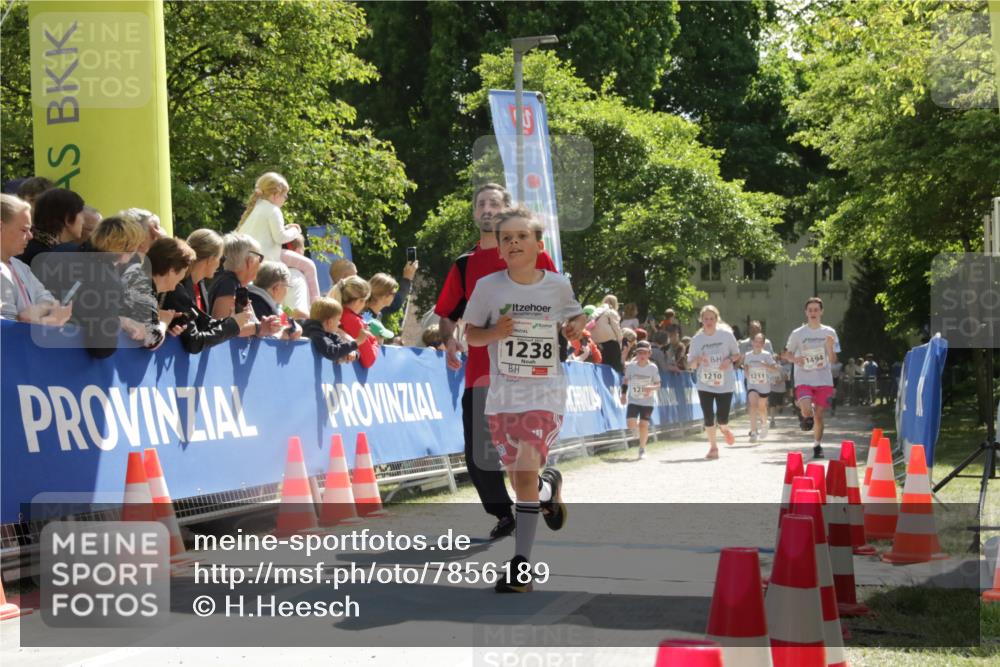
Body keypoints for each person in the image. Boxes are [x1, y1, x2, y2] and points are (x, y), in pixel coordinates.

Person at [463, 206, 584, 593]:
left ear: (538, 244)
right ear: (499, 249)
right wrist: (494, 331)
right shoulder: (488, 287)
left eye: (521, 236)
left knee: (526, 470)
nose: (513, 243)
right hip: (502, 398)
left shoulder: (557, 285)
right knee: (521, 480)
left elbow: (576, 320)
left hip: (545, 393)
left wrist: (576, 325)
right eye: (506, 239)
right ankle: (550, 490)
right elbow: (471, 335)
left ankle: (521, 566)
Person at [433, 183, 557, 541]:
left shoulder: (530, 252)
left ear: (505, 211)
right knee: (479, 454)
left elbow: (559, 297)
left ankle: (543, 491)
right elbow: (447, 312)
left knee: (524, 455)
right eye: (481, 204)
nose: (486, 209)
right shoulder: (464, 264)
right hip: (481, 373)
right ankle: (505, 513)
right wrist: (450, 341)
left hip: (526, 373)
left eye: (494, 203)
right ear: (475, 213)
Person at [161, 229, 253, 353]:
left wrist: (232, 320)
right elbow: (194, 341)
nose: (220, 265)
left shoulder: (200, 285)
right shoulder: (177, 287)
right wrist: (233, 325)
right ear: (210, 260)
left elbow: (204, 324)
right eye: (221, 259)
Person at [237, 171, 320, 304]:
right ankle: (317, 303)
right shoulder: (273, 210)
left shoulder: (255, 209)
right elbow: (280, 237)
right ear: (275, 195)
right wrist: (295, 230)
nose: (285, 199)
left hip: (253, 258)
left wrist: (286, 229)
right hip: (267, 258)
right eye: (284, 195)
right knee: (309, 265)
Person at [783, 297, 841, 459]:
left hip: (823, 379)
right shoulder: (798, 333)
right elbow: (786, 354)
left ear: (821, 312)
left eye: (816, 310)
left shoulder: (829, 332)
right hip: (804, 378)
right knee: (808, 410)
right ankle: (803, 411)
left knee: (819, 416)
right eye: (810, 310)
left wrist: (829, 347)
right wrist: (795, 359)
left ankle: (817, 445)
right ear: (806, 313)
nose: (813, 313)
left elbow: (833, 360)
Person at [0, 194, 72, 325]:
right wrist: (44, 319)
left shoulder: (20, 266)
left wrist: (36, 312)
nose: (30, 236)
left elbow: (48, 299)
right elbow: (6, 328)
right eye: (24, 230)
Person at [686, 305, 740, 459]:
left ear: (717, 319)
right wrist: (698, 359)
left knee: (722, 417)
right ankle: (713, 447)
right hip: (705, 383)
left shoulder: (727, 336)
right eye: (705, 319)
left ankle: (724, 428)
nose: (708, 321)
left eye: (711, 318)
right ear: (701, 320)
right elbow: (691, 364)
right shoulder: (697, 340)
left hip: (725, 383)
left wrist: (728, 360)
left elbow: (737, 355)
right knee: (708, 416)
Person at [209, 232, 282, 338]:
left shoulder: (235, 284)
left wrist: (267, 325)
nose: (261, 263)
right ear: (250, 261)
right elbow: (220, 329)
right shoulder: (228, 283)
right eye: (260, 258)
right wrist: (259, 328)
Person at [18, 188, 85, 271]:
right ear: (68, 219)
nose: (83, 221)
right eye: (81, 215)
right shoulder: (58, 257)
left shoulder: (23, 248)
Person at [620, 340, 660, 460]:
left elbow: (658, 385)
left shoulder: (653, 368)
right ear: (636, 354)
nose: (642, 356)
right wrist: (623, 395)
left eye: (644, 353)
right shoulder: (631, 367)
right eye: (639, 353)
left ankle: (642, 449)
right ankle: (635, 430)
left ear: (649, 354)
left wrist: (650, 388)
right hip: (634, 399)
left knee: (644, 425)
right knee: (630, 422)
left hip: (647, 402)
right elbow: (626, 381)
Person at [330, 275, 377, 368]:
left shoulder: (335, 313)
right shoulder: (353, 320)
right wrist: (374, 342)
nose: (364, 305)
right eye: (365, 301)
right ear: (359, 301)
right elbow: (369, 360)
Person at [248, 261, 302, 340]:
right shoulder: (257, 304)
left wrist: (294, 329)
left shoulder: (274, 306)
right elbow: (271, 338)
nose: (287, 291)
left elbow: (293, 328)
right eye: (287, 286)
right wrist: (285, 333)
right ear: (276, 288)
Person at [302, 297, 360, 363]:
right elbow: (332, 352)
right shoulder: (315, 334)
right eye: (338, 320)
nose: (339, 323)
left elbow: (342, 343)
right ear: (330, 322)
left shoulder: (329, 333)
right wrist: (356, 343)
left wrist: (352, 351)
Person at [743, 333, 778, 443]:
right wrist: (746, 370)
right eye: (756, 341)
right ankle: (753, 432)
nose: (757, 344)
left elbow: (774, 369)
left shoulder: (766, 355)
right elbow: (745, 367)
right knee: (753, 405)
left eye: (760, 342)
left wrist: (766, 366)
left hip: (764, 385)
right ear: (752, 342)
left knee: (761, 408)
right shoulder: (748, 355)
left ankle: (764, 423)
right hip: (752, 384)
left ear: (763, 344)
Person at [589, 294, 624, 373]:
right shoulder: (611, 312)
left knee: (602, 367)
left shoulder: (595, 312)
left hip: (596, 343)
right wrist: (620, 340)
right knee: (615, 368)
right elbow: (616, 328)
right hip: (610, 343)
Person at [280, 234, 310, 319]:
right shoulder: (296, 276)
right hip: (297, 329)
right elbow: (297, 312)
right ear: (298, 252)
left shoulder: (272, 274)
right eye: (303, 250)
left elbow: (284, 308)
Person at [768, 356, 790, 424]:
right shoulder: (766, 368)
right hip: (771, 389)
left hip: (780, 390)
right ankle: (772, 420)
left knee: (779, 405)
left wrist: (780, 380)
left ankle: (780, 408)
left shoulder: (781, 368)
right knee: (772, 404)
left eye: (774, 360)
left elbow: (786, 377)